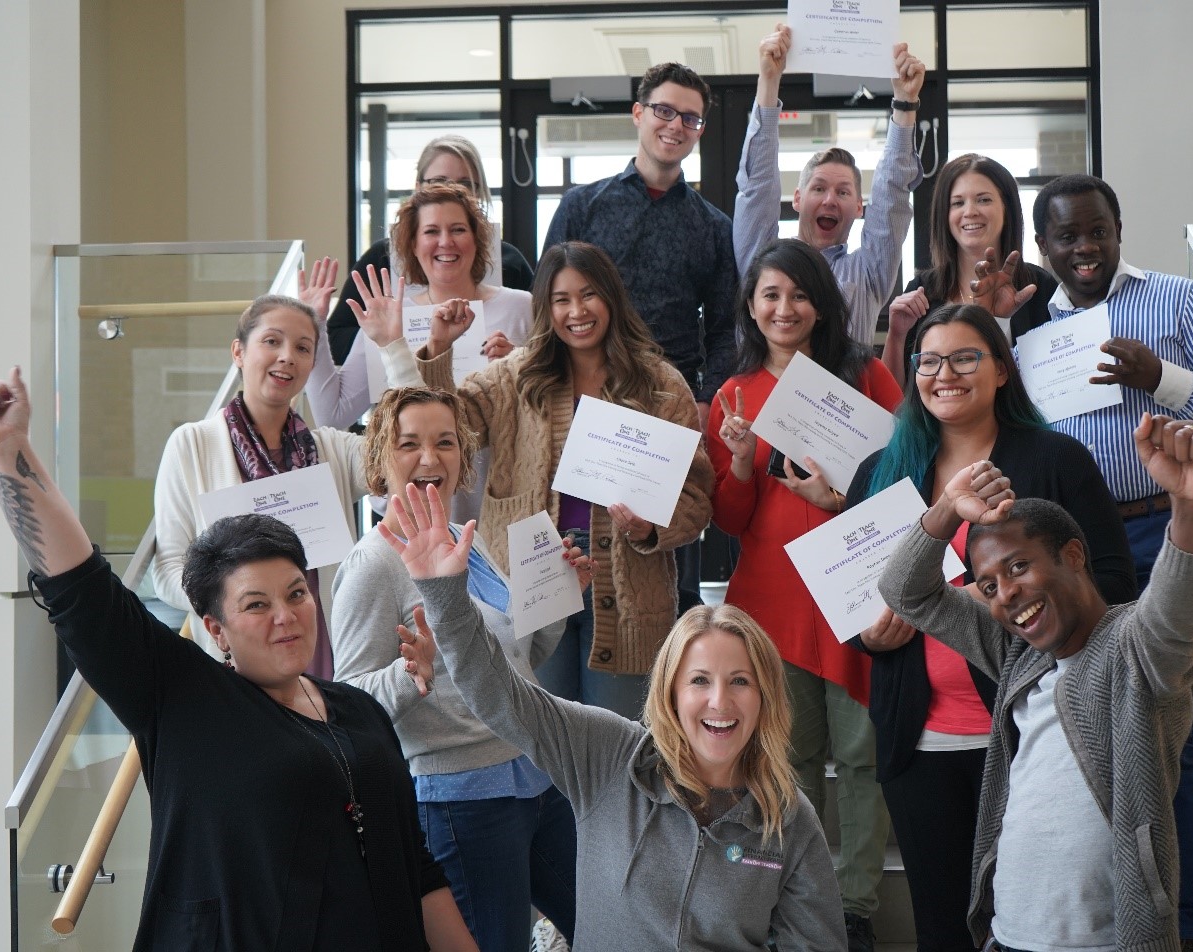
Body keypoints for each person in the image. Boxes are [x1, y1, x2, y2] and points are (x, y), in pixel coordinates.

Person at [0, 368, 476, 952]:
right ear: (216, 629)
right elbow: (84, 596)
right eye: (256, 605)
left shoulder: (358, 710)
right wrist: (9, 451)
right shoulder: (187, 702)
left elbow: (417, 866)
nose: (285, 616)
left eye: (296, 594)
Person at [378, 479, 847, 951]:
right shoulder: (607, 755)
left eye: (740, 681)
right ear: (670, 692)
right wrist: (444, 595)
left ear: (765, 696)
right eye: (700, 680)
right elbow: (500, 695)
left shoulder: (787, 818)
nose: (719, 702)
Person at [1029, 173, 1193, 951]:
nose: (1086, 248)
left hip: (1159, 538)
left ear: (1118, 228)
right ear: (1046, 248)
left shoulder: (1176, 301)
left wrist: (1160, 381)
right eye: (1068, 237)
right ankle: (1112, 919)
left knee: (1180, 739)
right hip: (1073, 555)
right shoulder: (1032, 334)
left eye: (1097, 230)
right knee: (1093, 733)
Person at [844, 302, 1135, 951]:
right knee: (942, 929)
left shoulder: (1057, 460)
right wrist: (868, 633)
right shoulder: (880, 471)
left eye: (965, 357)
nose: (944, 373)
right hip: (917, 738)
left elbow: (1116, 584)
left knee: (1034, 925)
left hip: (1039, 735)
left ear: (1002, 369)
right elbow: (849, 604)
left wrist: (1009, 607)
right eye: (929, 361)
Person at [878, 413, 1193, 952]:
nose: (1004, 595)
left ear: (1073, 555)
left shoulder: (1138, 650)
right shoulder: (1019, 656)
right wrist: (946, 509)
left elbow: (1179, 608)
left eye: (1018, 567)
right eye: (987, 586)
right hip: (1010, 936)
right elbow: (906, 592)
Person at [412, 241, 714, 720]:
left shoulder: (661, 386)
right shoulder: (514, 376)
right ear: (544, 308)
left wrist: (649, 528)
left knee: (621, 745)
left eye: (589, 294)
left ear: (612, 298)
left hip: (627, 585)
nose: (577, 311)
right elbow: (446, 428)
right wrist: (439, 351)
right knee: (544, 738)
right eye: (561, 299)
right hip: (531, 578)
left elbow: (697, 499)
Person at [332, 386, 579, 952]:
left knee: (603, 917)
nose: (429, 458)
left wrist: (559, 598)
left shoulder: (463, 538)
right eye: (409, 443)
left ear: (463, 458)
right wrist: (407, 674)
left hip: (536, 777)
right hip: (463, 803)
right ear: (378, 460)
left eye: (445, 443)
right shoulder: (372, 566)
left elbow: (513, 662)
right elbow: (347, 702)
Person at [707, 239, 901, 952]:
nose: (784, 309)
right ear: (750, 307)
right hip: (770, 598)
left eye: (798, 294)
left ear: (822, 302)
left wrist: (841, 493)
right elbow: (730, 520)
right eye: (769, 296)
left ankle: (854, 903)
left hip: (855, 588)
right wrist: (735, 459)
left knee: (860, 756)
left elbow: (905, 480)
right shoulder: (732, 395)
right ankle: (799, 895)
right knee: (785, 763)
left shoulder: (868, 376)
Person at [544, 61, 737, 615]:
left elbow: (724, 330)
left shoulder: (712, 227)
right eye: (664, 111)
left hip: (663, 413)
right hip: (576, 402)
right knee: (566, 565)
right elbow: (547, 308)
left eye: (692, 119)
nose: (676, 125)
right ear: (638, 113)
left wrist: (704, 402)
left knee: (656, 568)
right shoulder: (583, 206)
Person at [152, 291, 422, 674]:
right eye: (272, 341)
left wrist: (393, 347)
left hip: (330, 660)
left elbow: (412, 451)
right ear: (239, 352)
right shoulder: (192, 445)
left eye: (303, 347)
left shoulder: (332, 448)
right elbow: (167, 571)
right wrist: (238, 603)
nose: (287, 356)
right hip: (242, 672)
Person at [734, 25, 926, 346]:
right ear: (797, 198)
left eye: (843, 192)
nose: (830, 201)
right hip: (765, 396)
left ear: (859, 208)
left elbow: (892, 194)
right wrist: (769, 82)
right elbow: (758, 186)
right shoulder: (765, 259)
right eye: (819, 188)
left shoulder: (866, 274)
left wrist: (905, 104)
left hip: (841, 396)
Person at [308, 184, 534, 438]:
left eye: (458, 229)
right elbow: (332, 416)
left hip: (505, 473)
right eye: (431, 231)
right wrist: (313, 326)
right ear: (413, 245)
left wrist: (520, 362)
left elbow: (552, 399)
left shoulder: (521, 306)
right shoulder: (390, 316)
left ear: (477, 239)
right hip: (416, 475)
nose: (446, 242)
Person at [327, 134, 534, 365]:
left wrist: (516, 359)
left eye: (465, 184)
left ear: (480, 192)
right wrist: (395, 339)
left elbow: (542, 347)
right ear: (419, 189)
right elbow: (337, 336)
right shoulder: (381, 258)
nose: (454, 190)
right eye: (439, 182)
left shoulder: (511, 262)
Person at [880, 154, 1058, 390]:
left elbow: (1057, 379)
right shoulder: (923, 291)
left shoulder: (1037, 287)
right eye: (957, 203)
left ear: (1007, 208)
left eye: (983, 200)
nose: (970, 211)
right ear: (945, 215)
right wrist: (895, 334)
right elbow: (892, 398)